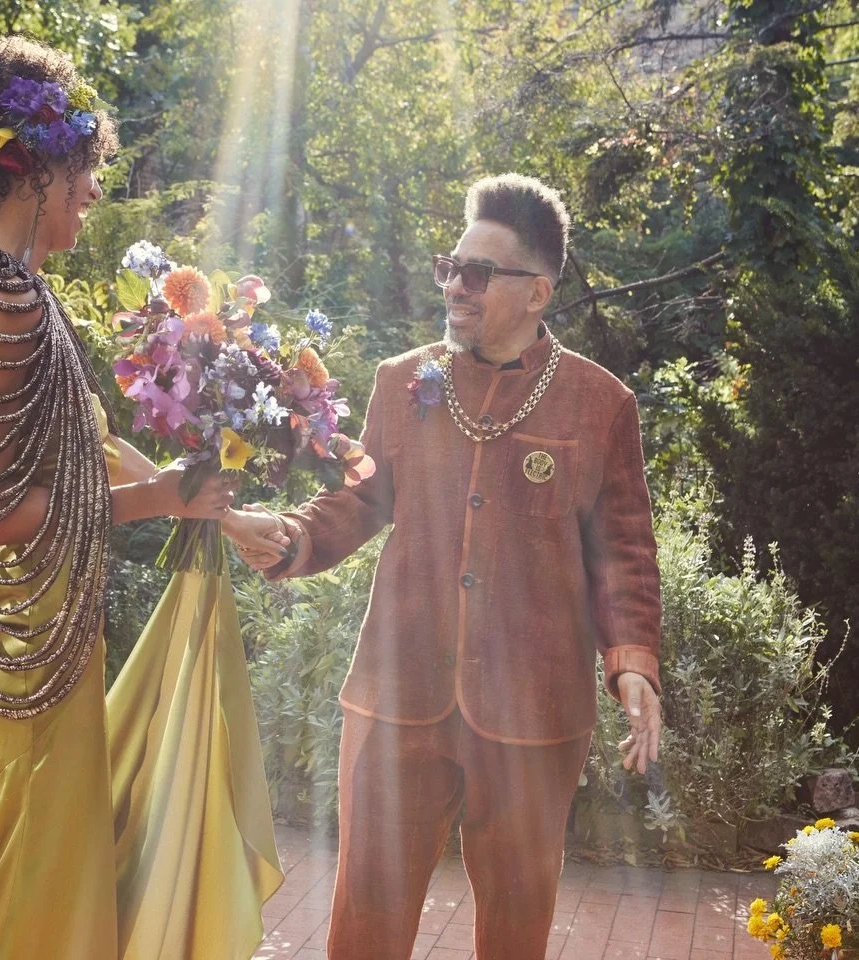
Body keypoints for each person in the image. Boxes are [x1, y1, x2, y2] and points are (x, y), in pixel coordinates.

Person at [0, 37, 279, 959]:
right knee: (37, 889)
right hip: (26, 648)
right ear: (32, 173)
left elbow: (80, 448)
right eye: (86, 170)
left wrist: (200, 498)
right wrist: (163, 501)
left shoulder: (1, 287)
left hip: (39, 634)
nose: (97, 193)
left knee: (49, 872)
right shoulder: (3, 301)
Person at [237, 174, 665, 960]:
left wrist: (633, 665)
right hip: (399, 694)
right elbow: (359, 501)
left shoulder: (599, 404)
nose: (456, 287)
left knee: (516, 926)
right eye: (451, 266)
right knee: (366, 916)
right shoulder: (405, 382)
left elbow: (625, 552)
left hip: (534, 711)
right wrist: (291, 534)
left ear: (536, 293)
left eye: (478, 273)